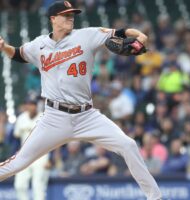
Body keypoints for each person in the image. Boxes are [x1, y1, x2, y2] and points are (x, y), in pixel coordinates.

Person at [0, 1, 162, 199]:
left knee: (128, 145)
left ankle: (156, 197)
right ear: (53, 19)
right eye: (65, 14)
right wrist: (4, 47)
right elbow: (18, 54)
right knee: (18, 163)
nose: (71, 17)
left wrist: (139, 35)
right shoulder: (39, 45)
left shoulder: (86, 35)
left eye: (72, 14)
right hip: (55, 118)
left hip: (87, 116)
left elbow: (119, 32)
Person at [14, 98, 50, 200]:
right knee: (19, 185)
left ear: (36, 105)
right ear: (25, 106)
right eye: (28, 104)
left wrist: (49, 159)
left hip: (40, 156)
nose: (31, 106)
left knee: (38, 187)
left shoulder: (44, 118)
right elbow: (16, 138)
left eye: (33, 104)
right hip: (24, 155)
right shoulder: (21, 118)